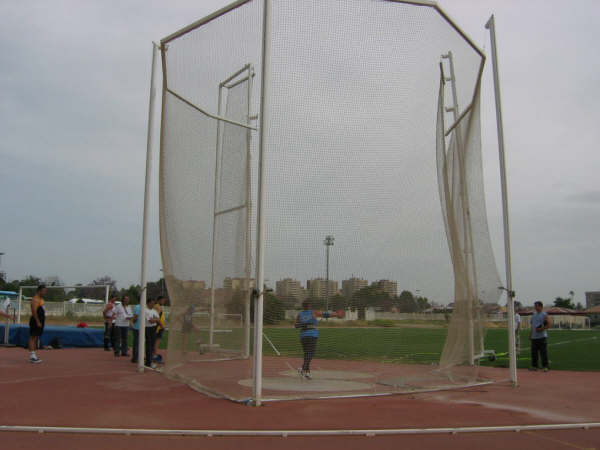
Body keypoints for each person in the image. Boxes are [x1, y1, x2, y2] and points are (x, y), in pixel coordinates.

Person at [131, 298, 160, 368]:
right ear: (148, 303)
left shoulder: (154, 311)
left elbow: (157, 319)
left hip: (153, 328)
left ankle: (150, 360)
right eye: (152, 303)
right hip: (148, 328)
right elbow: (150, 321)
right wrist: (155, 320)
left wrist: (155, 320)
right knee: (148, 345)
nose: (153, 304)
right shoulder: (145, 311)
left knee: (152, 345)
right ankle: (148, 362)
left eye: (153, 303)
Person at [295, 300, 319, 379]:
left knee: (307, 354)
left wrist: (303, 324)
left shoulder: (300, 314)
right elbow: (326, 314)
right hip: (312, 336)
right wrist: (336, 314)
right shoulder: (313, 312)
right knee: (310, 354)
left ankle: (307, 373)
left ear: (303, 306)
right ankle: (303, 368)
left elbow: (296, 325)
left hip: (303, 337)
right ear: (310, 305)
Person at [530, 301, 551, 372]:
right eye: (535, 306)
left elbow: (549, 324)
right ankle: (534, 366)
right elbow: (532, 326)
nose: (535, 307)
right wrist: (530, 335)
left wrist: (541, 329)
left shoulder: (544, 314)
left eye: (536, 306)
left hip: (542, 337)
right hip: (534, 337)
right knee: (534, 353)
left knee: (543, 353)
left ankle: (545, 366)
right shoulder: (533, 315)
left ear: (540, 306)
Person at [28, 285, 46, 364]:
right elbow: (34, 311)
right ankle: (32, 356)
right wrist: (38, 321)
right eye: (43, 291)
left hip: (40, 320)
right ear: (39, 291)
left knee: (35, 338)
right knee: (33, 337)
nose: (44, 293)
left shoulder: (40, 299)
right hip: (36, 321)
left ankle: (34, 355)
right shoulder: (35, 300)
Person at [153, 296, 167, 363]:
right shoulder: (158, 307)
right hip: (158, 327)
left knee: (156, 341)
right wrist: (162, 325)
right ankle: (154, 356)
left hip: (159, 327)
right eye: (163, 300)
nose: (164, 302)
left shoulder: (158, 306)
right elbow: (157, 317)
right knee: (156, 342)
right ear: (159, 300)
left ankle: (153, 355)